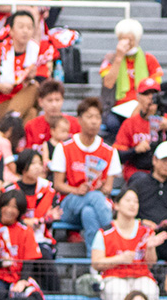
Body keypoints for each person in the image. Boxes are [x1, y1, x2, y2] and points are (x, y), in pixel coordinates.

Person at [50, 98, 119, 241]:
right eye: (89, 117)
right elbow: (57, 184)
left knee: (89, 213)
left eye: (97, 117)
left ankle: (93, 259)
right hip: (69, 203)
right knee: (95, 198)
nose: (94, 122)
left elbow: (108, 188)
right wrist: (77, 190)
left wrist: (100, 188)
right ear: (79, 120)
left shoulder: (109, 151)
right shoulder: (64, 148)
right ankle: (113, 234)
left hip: (95, 203)